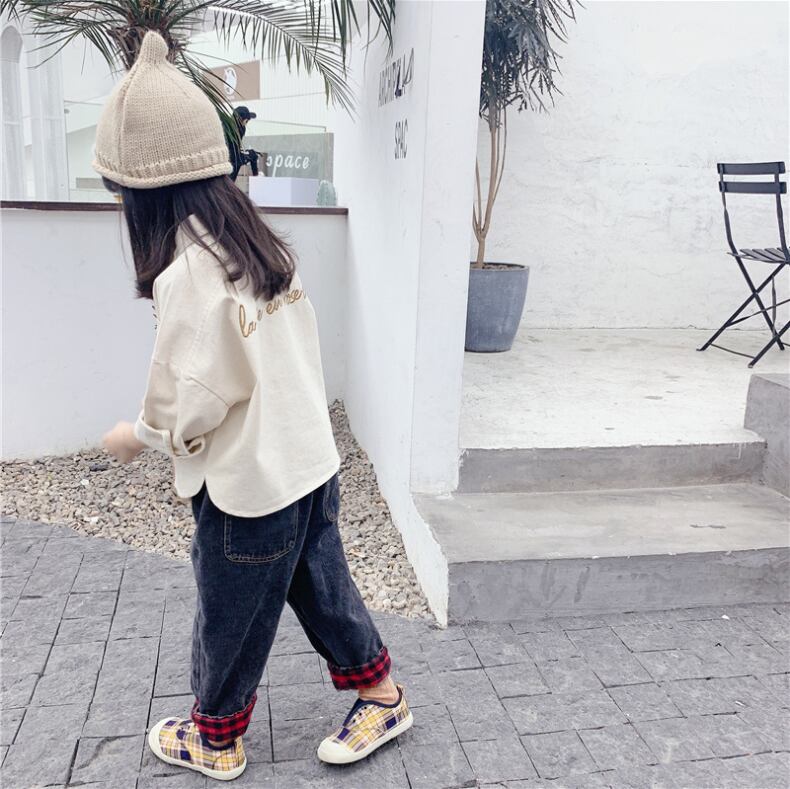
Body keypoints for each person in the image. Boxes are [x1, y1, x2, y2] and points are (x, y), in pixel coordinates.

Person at [95, 31, 412, 782]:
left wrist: (137, 434)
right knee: (322, 586)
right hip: (308, 461)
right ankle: (383, 696)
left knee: (229, 611)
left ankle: (215, 737)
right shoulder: (259, 244)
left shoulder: (189, 274)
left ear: (142, 194)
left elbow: (192, 397)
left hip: (251, 487)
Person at [226, 105, 259, 181]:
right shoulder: (235, 129)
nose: (247, 123)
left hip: (233, 156)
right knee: (253, 155)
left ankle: (256, 177)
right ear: (240, 119)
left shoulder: (239, 127)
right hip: (233, 158)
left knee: (252, 155)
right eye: (246, 121)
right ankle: (256, 178)